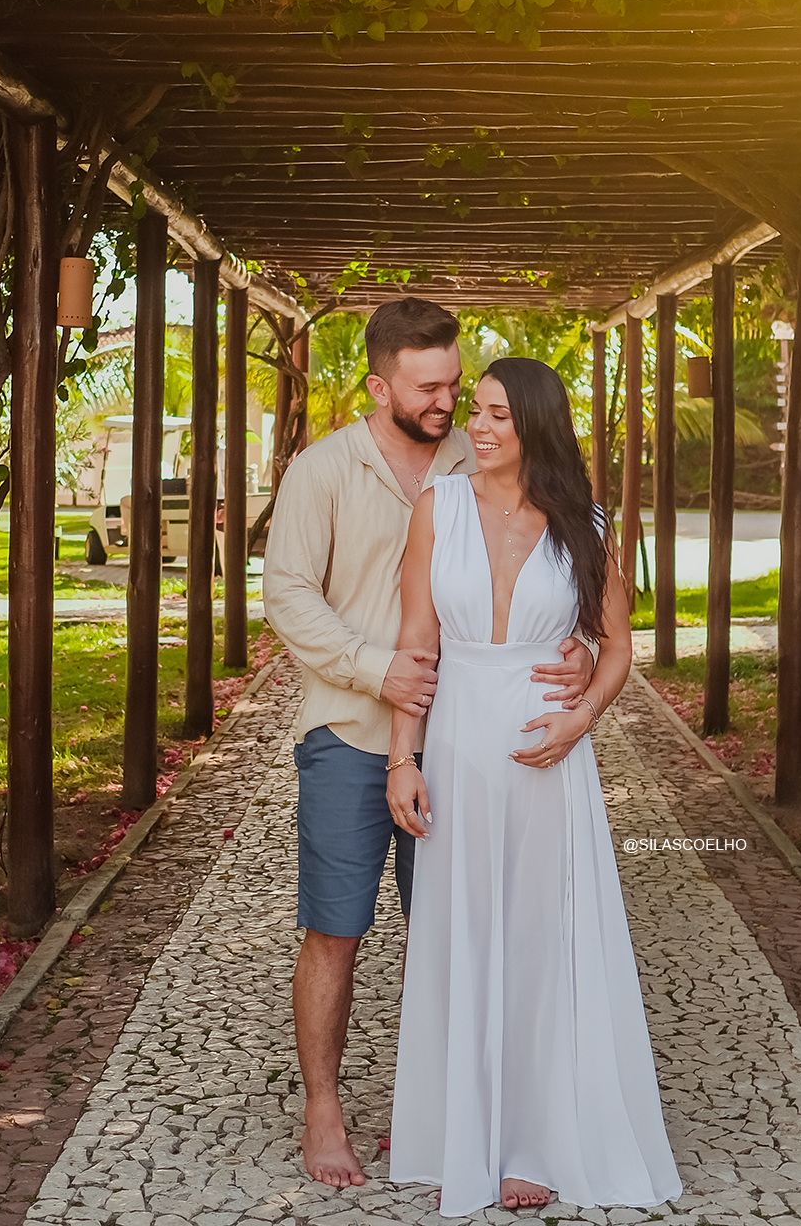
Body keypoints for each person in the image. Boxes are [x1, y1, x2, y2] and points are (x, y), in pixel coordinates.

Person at [263, 302, 596, 1191]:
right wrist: (381, 672)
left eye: (457, 383)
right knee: (335, 928)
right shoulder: (322, 470)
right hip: (350, 732)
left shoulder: (483, 452)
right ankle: (324, 1110)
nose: (451, 402)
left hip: (463, 743)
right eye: (431, 387)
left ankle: (457, 1107)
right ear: (380, 385)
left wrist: (580, 649)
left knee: (450, 928)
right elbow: (288, 596)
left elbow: (559, 573)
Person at [386, 358, 683, 1216]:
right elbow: (417, 646)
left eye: (498, 417)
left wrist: (581, 715)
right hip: (457, 750)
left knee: (542, 943)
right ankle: (463, 1133)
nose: (476, 428)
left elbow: (618, 644)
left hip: (551, 760)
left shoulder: (584, 522)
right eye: (474, 412)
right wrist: (403, 758)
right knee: (462, 933)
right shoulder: (436, 510)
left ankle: (532, 1142)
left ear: (537, 428)